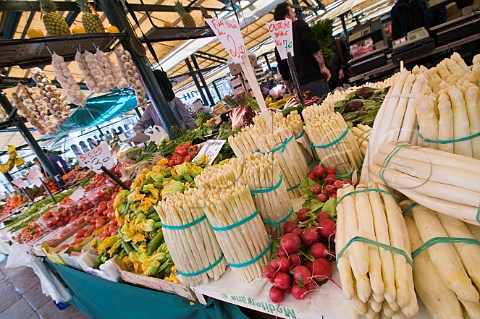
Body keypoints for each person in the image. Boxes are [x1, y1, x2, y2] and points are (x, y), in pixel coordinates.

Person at [274, 2, 331, 98]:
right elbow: (313, 45)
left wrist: (290, 89)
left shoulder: (278, 44)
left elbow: (282, 70)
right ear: (286, 17)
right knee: (326, 108)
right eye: (292, 12)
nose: (295, 14)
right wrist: (322, 66)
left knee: (311, 112)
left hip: (299, 89)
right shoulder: (299, 25)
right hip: (315, 80)